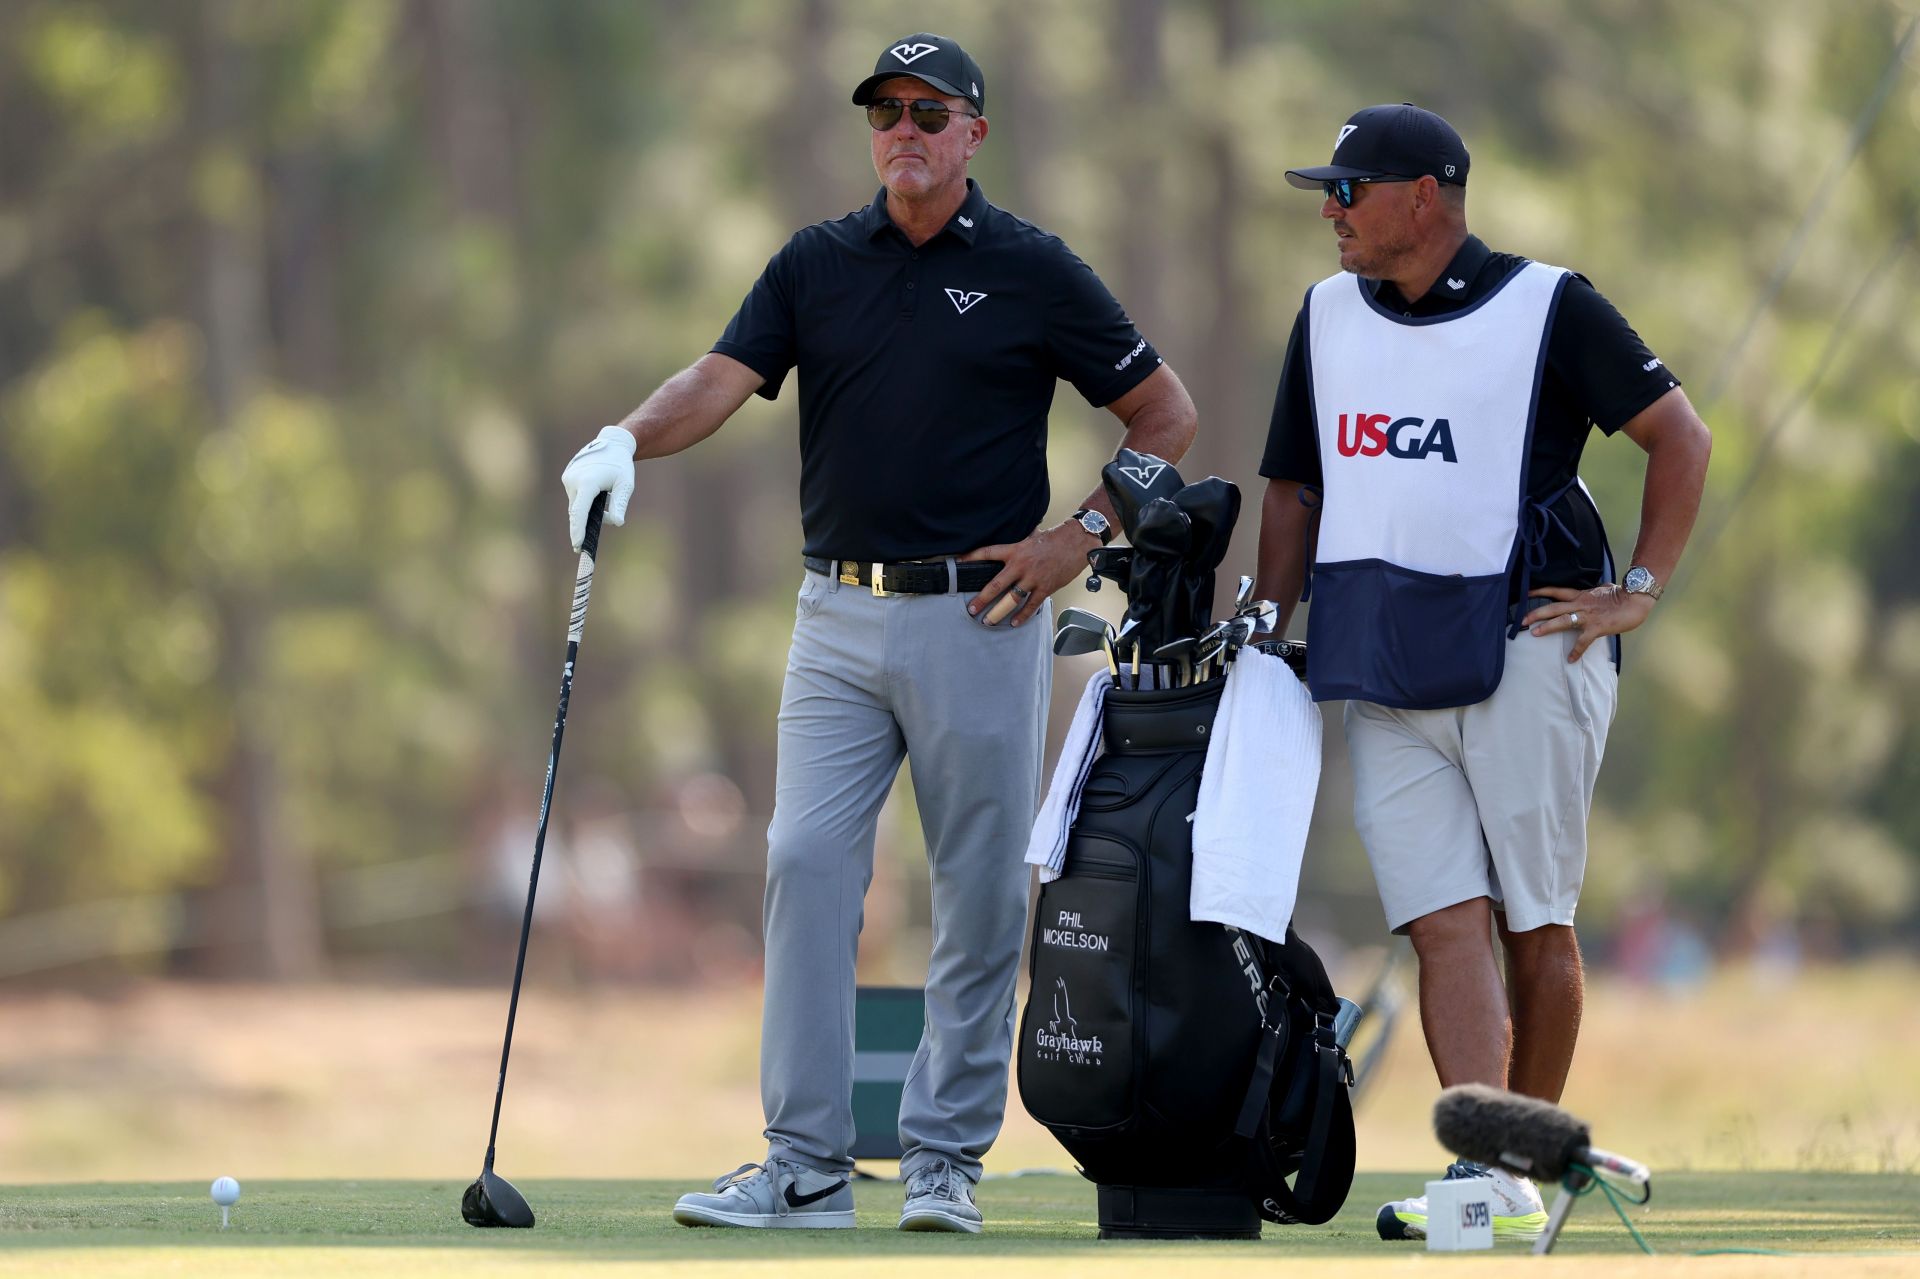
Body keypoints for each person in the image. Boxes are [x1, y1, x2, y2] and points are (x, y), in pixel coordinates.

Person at [561, 33, 1196, 1233]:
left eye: (928, 110)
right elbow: (719, 373)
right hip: (835, 614)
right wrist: (623, 439)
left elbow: (1166, 413)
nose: (903, 128)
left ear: (974, 134)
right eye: (885, 111)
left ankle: (945, 1156)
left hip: (983, 612)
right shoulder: (816, 263)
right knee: (803, 863)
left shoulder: (1031, 269)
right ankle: (802, 1161)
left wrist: (1080, 537)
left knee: (975, 893)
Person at [1253, 103, 1710, 1242]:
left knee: (1533, 924)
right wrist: (1264, 617)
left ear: (1427, 197)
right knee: (1441, 919)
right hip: (1381, 655)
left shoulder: (1551, 302)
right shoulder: (1323, 314)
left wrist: (1638, 594)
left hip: (1532, 643)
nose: (1331, 214)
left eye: (1349, 192)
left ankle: (1515, 1159)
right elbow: (1296, 486)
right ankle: (1487, 1181)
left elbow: (1679, 436)